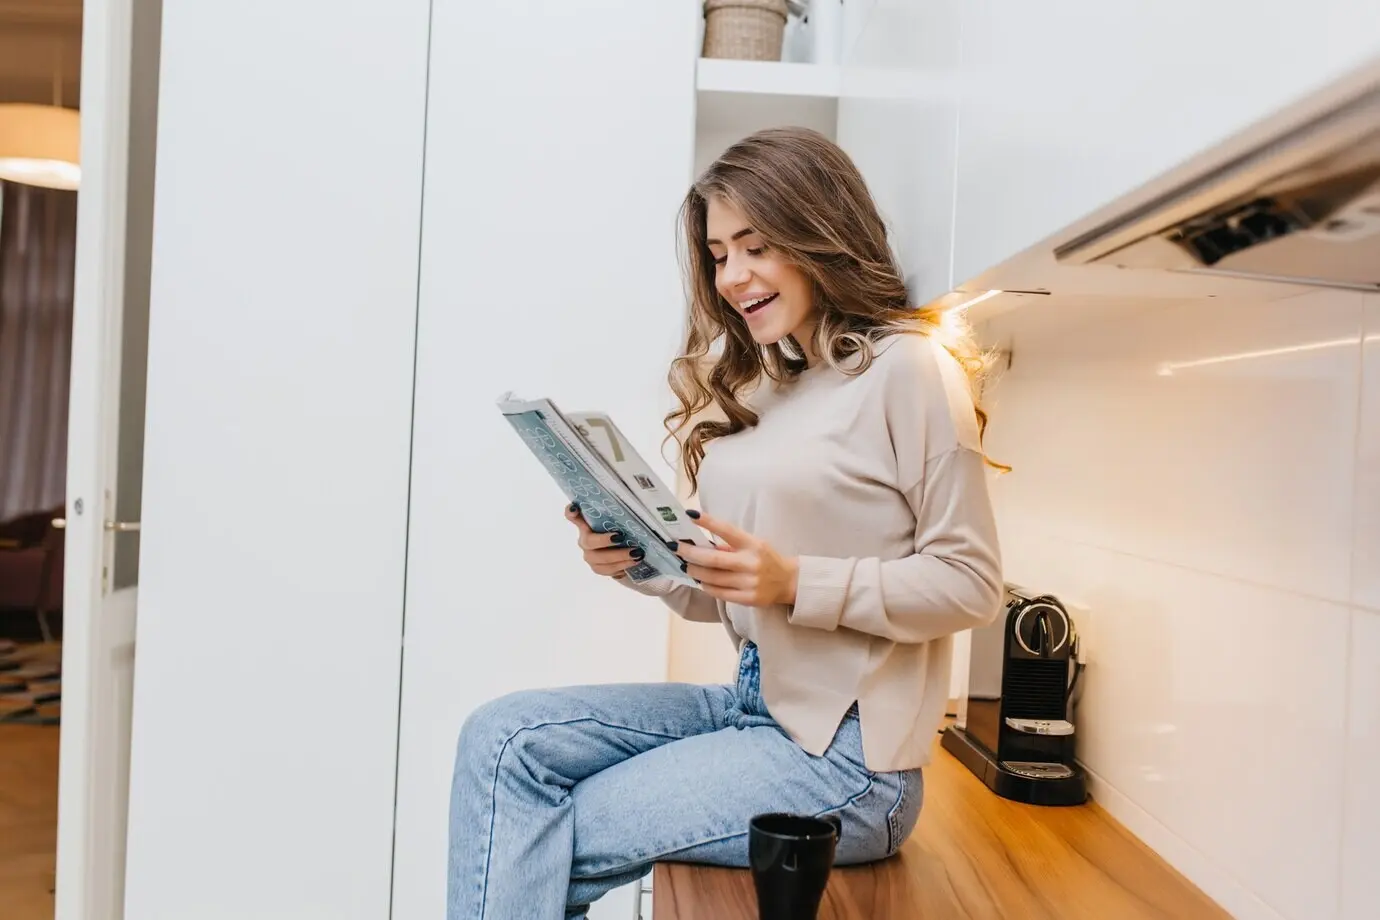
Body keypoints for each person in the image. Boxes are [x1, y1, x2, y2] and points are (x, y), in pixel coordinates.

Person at [447, 126, 1004, 920]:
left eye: (756, 246)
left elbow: (971, 583)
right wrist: (639, 561)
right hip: (750, 703)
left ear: (820, 233)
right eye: (717, 254)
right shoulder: (775, 391)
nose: (734, 276)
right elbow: (727, 595)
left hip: (848, 761)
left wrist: (794, 581)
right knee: (500, 740)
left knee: (539, 830)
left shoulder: (909, 369)